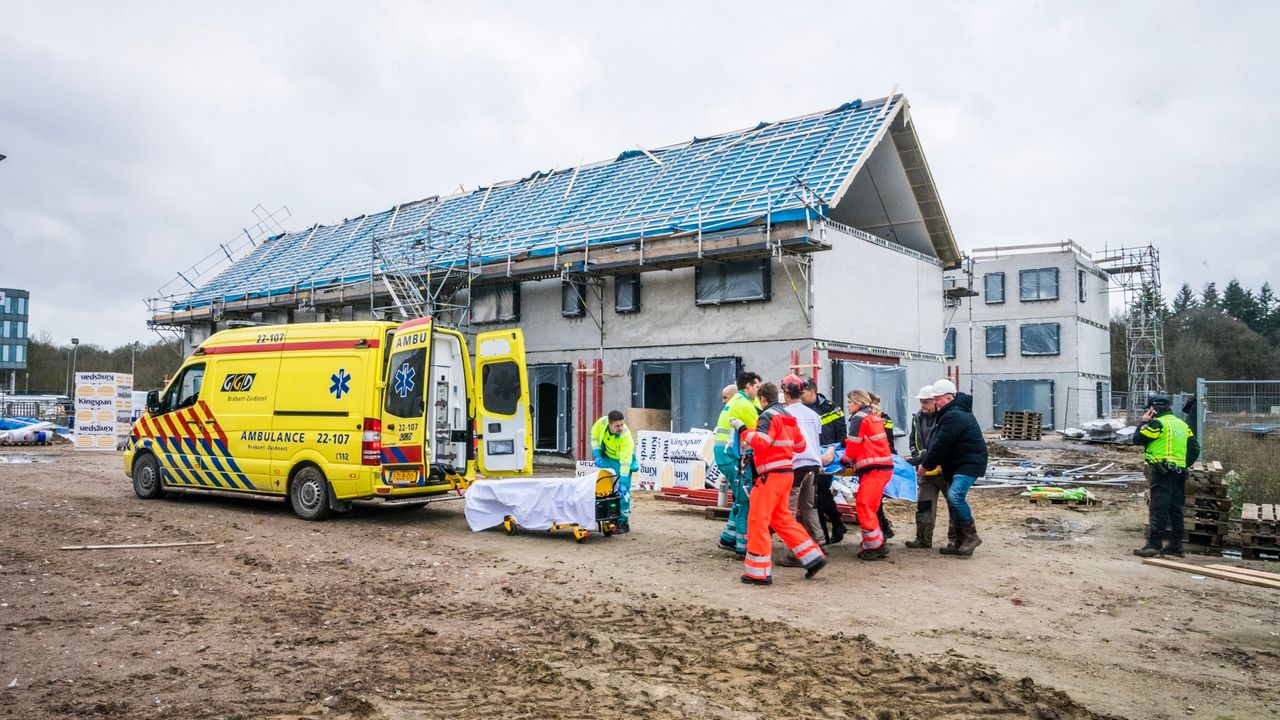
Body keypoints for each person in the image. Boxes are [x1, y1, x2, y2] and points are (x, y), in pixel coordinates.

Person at [739, 382, 826, 585]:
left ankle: (758, 573)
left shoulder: (767, 416)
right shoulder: (788, 417)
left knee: (758, 520)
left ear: (762, 399)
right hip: (786, 473)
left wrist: (743, 430)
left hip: (770, 475)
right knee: (782, 520)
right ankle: (813, 557)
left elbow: (762, 442)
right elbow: (800, 446)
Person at [921, 379, 988, 557]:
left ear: (949, 398)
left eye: (938, 399)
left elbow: (941, 444)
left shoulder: (954, 416)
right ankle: (959, 541)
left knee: (955, 496)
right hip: (959, 463)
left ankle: (971, 536)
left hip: (968, 464)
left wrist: (925, 465)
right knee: (953, 500)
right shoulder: (953, 412)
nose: (936, 403)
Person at [1133, 394, 1200, 558]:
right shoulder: (1182, 425)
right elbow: (1195, 448)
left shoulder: (1157, 424)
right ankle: (1176, 545)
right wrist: (1182, 464)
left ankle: (1154, 545)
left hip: (1162, 472)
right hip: (1179, 472)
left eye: (1149, 410)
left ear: (1153, 410)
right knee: (1175, 508)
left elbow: (1137, 439)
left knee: (1158, 508)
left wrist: (1143, 422)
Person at [839, 389, 895, 560]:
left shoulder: (858, 418)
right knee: (871, 507)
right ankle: (873, 544)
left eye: (849, 402)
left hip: (874, 469)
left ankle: (875, 546)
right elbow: (867, 439)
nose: (847, 405)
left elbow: (854, 445)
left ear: (858, 403)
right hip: (883, 467)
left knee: (864, 505)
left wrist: (844, 460)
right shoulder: (872, 416)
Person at [779, 375, 824, 566]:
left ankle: (796, 552)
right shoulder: (813, 415)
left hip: (795, 466)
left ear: (786, 393)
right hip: (813, 465)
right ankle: (820, 542)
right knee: (809, 507)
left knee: (789, 510)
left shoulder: (784, 414)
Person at [715, 371, 762, 555]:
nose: (758, 391)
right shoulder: (744, 405)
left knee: (741, 497)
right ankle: (744, 547)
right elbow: (759, 432)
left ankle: (728, 538)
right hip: (732, 456)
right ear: (748, 386)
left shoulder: (738, 401)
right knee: (746, 499)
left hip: (728, 456)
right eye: (757, 387)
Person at [904, 384, 951, 549]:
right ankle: (923, 539)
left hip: (945, 469)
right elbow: (913, 440)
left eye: (926, 402)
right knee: (924, 504)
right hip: (926, 470)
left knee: (954, 505)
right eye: (921, 402)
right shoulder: (917, 418)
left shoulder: (945, 418)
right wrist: (918, 456)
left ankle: (956, 539)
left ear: (935, 401)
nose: (923, 405)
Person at [802, 378, 847, 544]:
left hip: (829, 456)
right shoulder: (801, 409)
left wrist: (833, 451)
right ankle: (832, 528)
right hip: (810, 455)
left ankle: (834, 526)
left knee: (820, 492)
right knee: (815, 495)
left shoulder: (830, 407)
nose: (800, 396)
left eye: (803, 393)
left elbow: (842, 433)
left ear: (812, 391)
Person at [591, 410, 638, 533]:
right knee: (607, 489)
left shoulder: (625, 437)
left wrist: (623, 481)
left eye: (622, 424)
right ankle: (611, 518)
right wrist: (596, 454)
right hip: (607, 458)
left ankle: (623, 522)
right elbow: (594, 437)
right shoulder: (601, 423)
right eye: (617, 426)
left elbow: (625, 461)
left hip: (621, 462)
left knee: (623, 493)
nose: (620, 428)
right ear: (609, 424)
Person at [867, 391, 897, 541]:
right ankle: (884, 528)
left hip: (879, 462)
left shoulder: (878, 419)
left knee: (875, 500)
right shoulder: (882, 418)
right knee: (876, 500)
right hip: (882, 461)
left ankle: (882, 529)